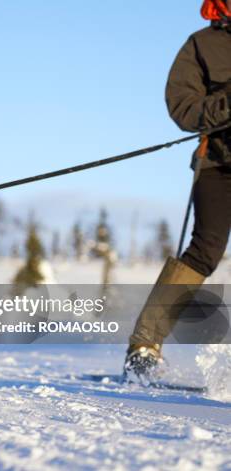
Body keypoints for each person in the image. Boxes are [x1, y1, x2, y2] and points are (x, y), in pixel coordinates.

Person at [124, 0, 231, 377]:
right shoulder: (201, 45)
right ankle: (144, 346)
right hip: (219, 163)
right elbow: (183, 109)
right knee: (203, 252)